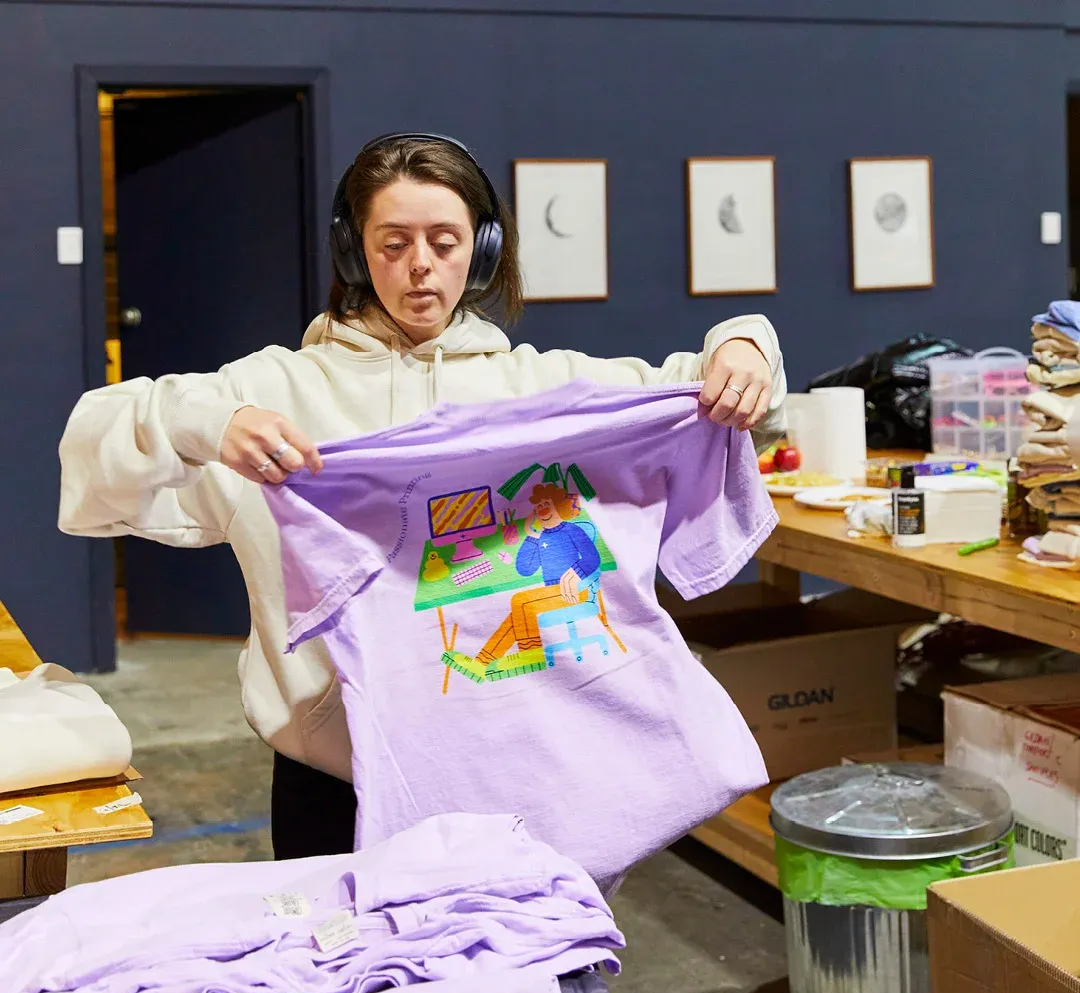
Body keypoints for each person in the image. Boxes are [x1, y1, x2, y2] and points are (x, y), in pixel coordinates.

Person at [58, 132, 788, 862]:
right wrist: (206, 423)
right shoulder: (277, 392)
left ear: (483, 249)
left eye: (445, 241)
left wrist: (745, 346)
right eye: (393, 242)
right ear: (353, 251)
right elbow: (94, 444)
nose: (420, 267)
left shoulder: (539, 390)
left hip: (526, 764)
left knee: (532, 970)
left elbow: (702, 391)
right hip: (337, 780)